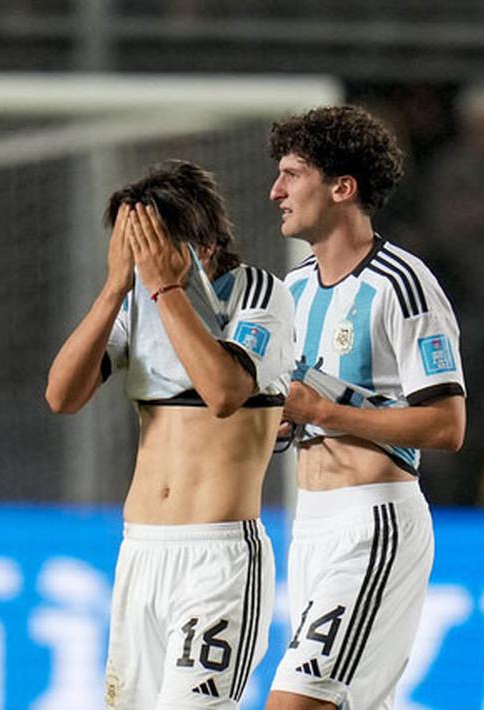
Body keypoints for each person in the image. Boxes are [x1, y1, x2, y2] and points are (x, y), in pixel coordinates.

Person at [46, 160, 296, 708]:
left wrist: (166, 289)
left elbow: (225, 392)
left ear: (201, 243)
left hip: (220, 558)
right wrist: (115, 289)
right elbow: (62, 396)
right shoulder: (134, 301)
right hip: (142, 551)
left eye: (150, 242)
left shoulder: (261, 296)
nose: (140, 259)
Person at [264, 105, 467, 710]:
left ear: (342, 187)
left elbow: (447, 424)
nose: (277, 191)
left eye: (293, 175)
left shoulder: (402, 284)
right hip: (310, 526)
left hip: (373, 524)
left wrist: (324, 412)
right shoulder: (291, 290)